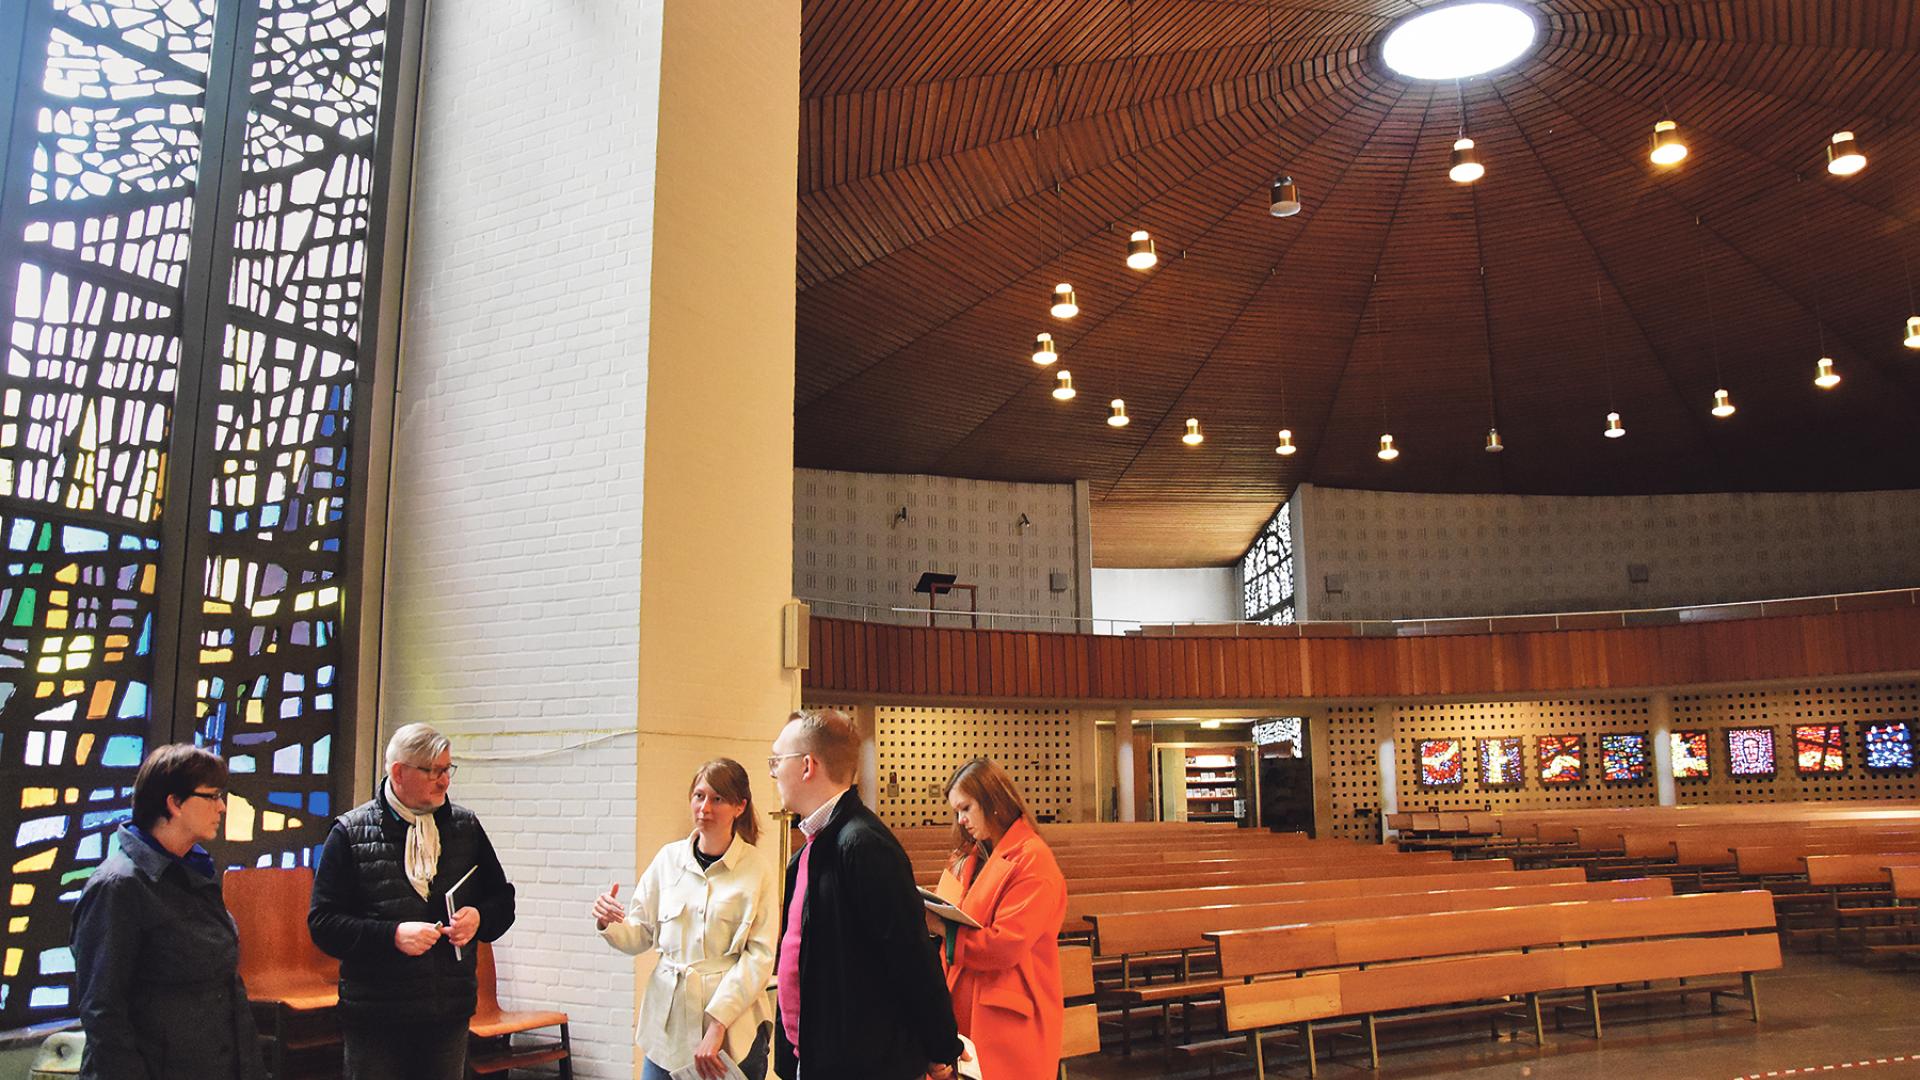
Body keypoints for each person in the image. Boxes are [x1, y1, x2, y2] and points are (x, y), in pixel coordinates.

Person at [309, 723, 516, 1080]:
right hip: (376, 1014)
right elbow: (324, 924)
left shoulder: (465, 827)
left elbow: (503, 902)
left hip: (446, 1010)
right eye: (433, 771)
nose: (444, 781)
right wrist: (391, 935)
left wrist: (479, 918)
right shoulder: (349, 833)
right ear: (398, 772)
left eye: (447, 769)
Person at [768, 708, 962, 1080]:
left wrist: (940, 1050)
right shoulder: (810, 850)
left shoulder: (863, 845)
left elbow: (911, 958)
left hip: (862, 1064)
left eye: (778, 760)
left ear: (808, 766)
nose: (774, 771)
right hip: (815, 1057)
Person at [71, 744, 265, 1080]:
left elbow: (223, 985)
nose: (222, 807)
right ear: (174, 803)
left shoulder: (195, 872)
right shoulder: (119, 886)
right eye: (212, 796)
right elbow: (103, 1010)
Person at [592, 759, 778, 1080]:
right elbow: (640, 935)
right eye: (699, 796)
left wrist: (717, 1023)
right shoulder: (668, 859)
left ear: (739, 806)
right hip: (667, 1029)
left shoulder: (757, 868)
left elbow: (759, 959)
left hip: (733, 1027)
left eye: (717, 799)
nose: (705, 807)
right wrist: (610, 923)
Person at [933, 758, 1068, 1080]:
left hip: (1008, 1017)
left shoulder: (1033, 860)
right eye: (956, 812)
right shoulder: (969, 856)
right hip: (963, 1002)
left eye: (966, 808)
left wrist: (942, 927)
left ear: (992, 802)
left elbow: (1007, 944)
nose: (961, 820)